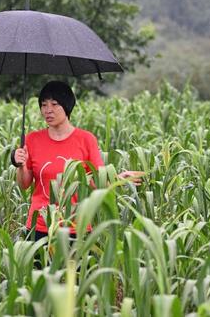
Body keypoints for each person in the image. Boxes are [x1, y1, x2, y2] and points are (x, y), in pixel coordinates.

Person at [11, 80, 144, 244]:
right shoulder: (32, 140)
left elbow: (97, 180)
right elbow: (24, 184)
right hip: (39, 226)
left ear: (67, 106)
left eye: (54, 104)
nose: (48, 110)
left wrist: (118, 178)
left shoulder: (86, 139)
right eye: (44, 105)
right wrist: (20, 165)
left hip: (75, 226)